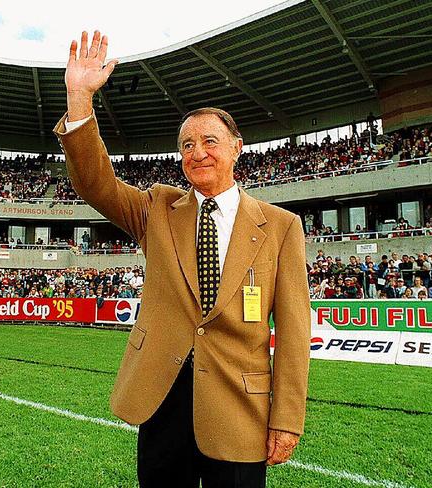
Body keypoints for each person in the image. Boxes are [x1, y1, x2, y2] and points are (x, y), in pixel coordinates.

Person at [55, 31, 310, 488]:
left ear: (237, 147)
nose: (197, 152)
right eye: (187, 145)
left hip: (239, 409)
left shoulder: (281, 226)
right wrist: (79, 98)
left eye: (209, 141)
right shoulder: (157, 208)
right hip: (161, 398)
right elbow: (95, 185)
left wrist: (287, 417)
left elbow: (293, 331)